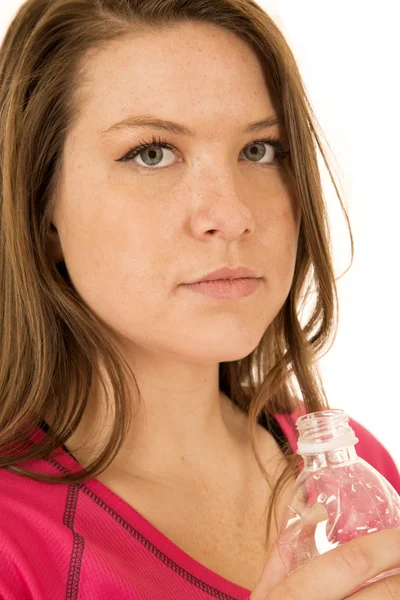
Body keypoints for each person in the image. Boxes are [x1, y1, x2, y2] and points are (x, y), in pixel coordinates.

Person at [0, 0, 399, 598]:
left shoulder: (352, 471)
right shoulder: (12, 539)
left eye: (260, 150)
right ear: (40, 207)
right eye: (151, 153)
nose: (233, 216)